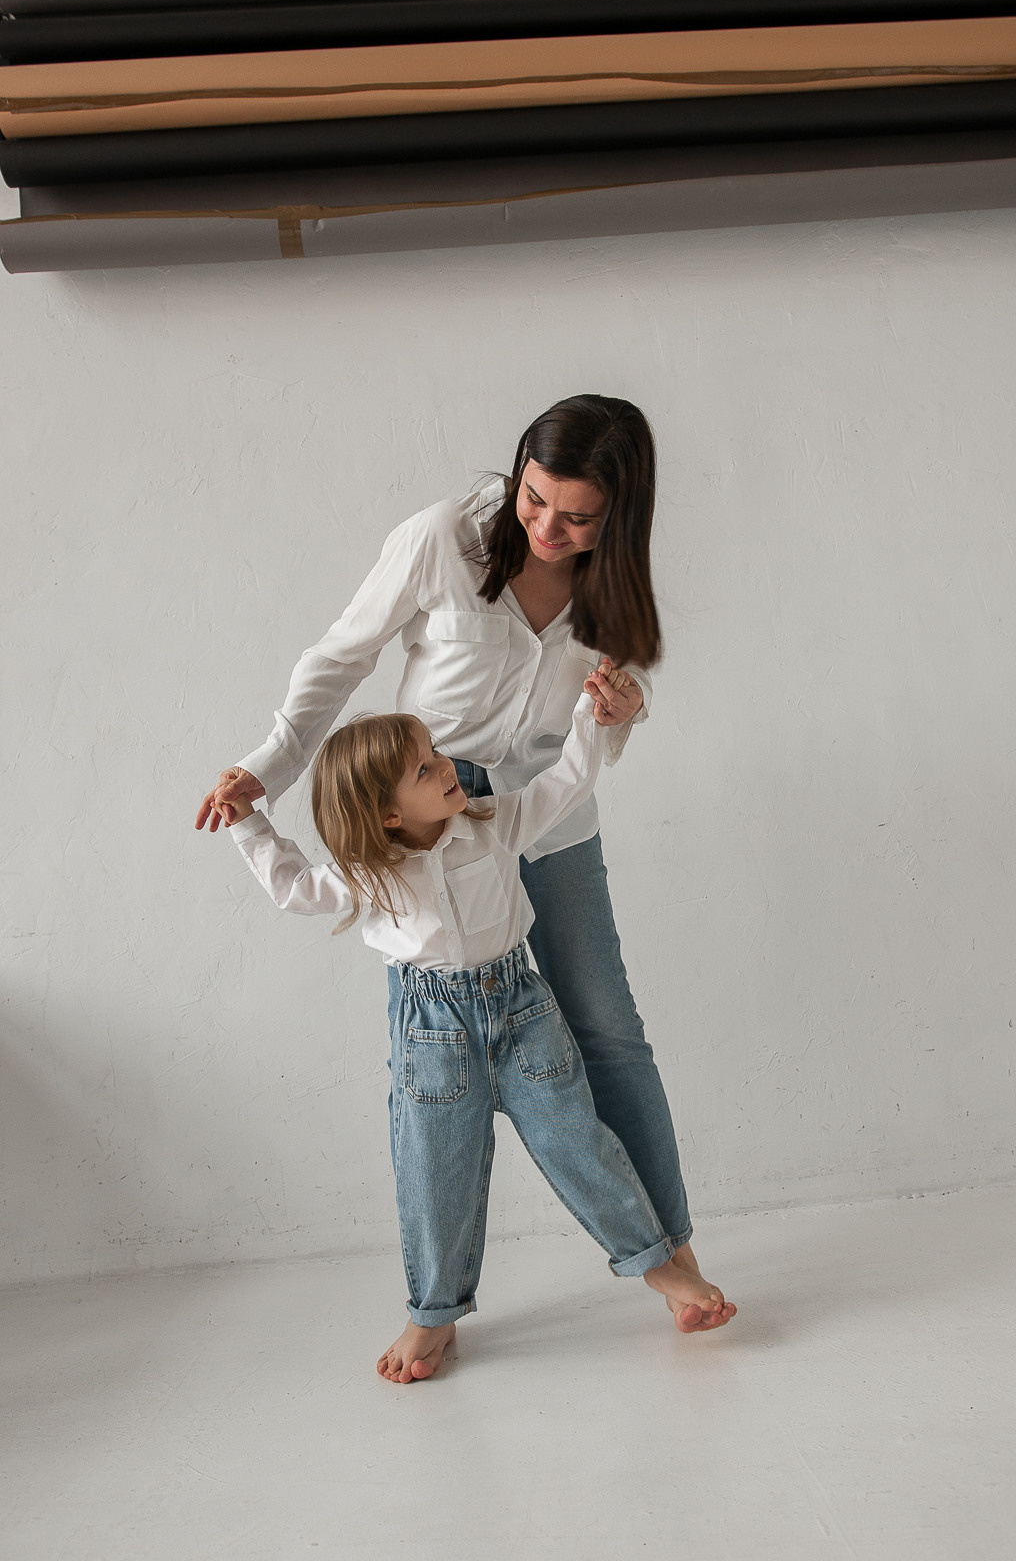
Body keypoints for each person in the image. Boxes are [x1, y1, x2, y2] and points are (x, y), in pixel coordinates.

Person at [196, 393, 729, 1333]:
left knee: (609, 1037)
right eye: (533, 499)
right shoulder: (444, 538)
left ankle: (671, 1253)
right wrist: (265, 772)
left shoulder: (614, 592)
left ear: (621, 514)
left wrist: (623, 716)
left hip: (542, 820)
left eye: (577, 518)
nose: (547, 527)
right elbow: (340, 659)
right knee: (439, 1100)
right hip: (426, 818)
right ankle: (435, 1306)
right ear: (518, 468)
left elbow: (582, 746)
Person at [226, 674, 735, 1382]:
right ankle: (431, 1315)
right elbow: (291, 886)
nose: (446, 768)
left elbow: (566, 782)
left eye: (435, 752)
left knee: (578, 1142)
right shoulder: (369, 873)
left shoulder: (496, 822)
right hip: (432, 1035)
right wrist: (250, 821)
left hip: (524, 1012)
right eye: (425, 767)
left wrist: (591, 716)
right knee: (436, 1172)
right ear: (385, 814)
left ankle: (658, 1266)